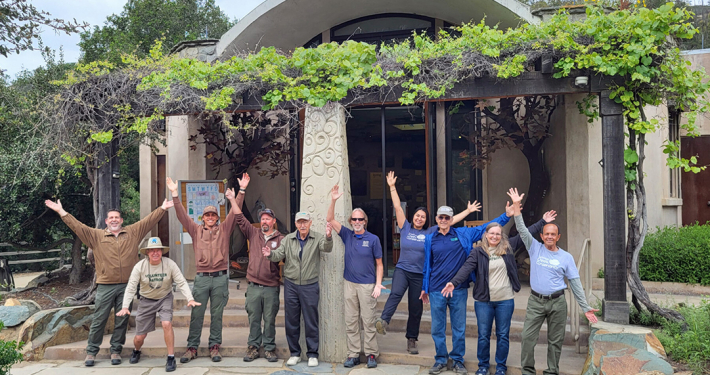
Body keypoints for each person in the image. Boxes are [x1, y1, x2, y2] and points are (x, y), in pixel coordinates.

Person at [44, 198, 172, 366]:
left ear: (121, 220)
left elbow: (148, 221)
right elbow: (78, 226)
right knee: (99, 319)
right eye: (110, 218)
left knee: (122, 320)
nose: (114, 220)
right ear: (106, 221)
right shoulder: (96, 236)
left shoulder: (133, 232)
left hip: (127, 286)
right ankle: (91, 352)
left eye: (116, 217)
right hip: (105, 285)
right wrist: (62, 212)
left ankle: (116, 351)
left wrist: (162, 208)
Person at [375, 171, 481, 355]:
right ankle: (384, 321)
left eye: (423, 217)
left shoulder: (430, 232)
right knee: (396, 293)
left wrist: (468, 211)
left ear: (426, 220)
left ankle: (412, 340)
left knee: (415, 308)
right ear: (413, 216)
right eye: (417, 215)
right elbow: (398, 208)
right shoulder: (405, 227)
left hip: (420, 275)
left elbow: (450, 220)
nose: (419, 218)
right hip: (402, 270)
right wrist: (392, 187)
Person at [442, 210, 558, 375]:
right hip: (483, 301)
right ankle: (483, 366)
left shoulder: (508, 247)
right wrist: (453, 283)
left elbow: (526, 232)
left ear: (501, 236)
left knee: (503, 335)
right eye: (492, 233)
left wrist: (543, 221)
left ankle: (501, 367)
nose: (495, 236)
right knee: (483, 335)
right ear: (486, 235)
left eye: (498, 234)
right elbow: (466, 268)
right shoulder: (478, 252)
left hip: (505, 300)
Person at [506, 188, 598, 375]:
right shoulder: (534, 248)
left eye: (552, 234)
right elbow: (522, 229)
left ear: (558, 237)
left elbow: (575, 283)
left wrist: (585, 307)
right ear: (541, 236)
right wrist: (516, 206)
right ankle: (528, 372)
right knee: (527, 338)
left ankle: (551, 372)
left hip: (557, 302)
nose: (549, 236)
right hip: (536, 302)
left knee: (555, 342)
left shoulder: (566, 257)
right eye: (546, 234)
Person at [421, 203, 514, 375]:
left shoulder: (463, 234)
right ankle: (440, 359)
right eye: (440, 217)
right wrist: (424, 287)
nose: (443, 220)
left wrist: (506, 216)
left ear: (451, 219)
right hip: (436, 289)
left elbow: (487, 228)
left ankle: (457, 360)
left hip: (459, 289)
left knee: (459, 327)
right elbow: (427, 264)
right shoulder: (430, 238)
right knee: (437, 328)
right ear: (436, 219)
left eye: (447, 217)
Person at [167, 177, 239, 363]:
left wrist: (240, 193)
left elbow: (234, 214)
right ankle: (192, 348)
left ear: (217, 218)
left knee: (217, 315)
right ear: (203, 218)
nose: (210, 218)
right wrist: (175, 194)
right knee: (196, 314)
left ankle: (215, 347)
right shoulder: (195, 230)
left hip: (220, 278)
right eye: (207, 215)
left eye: (213, 215)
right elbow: (182, 215)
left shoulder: (224, 230)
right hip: (201, 278)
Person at [117, 237, 201, 372]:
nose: (155, 253)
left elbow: (181, 281)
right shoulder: (140, 266)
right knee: (139, 337)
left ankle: (171, 357)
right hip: (146, 300)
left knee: (166, 323)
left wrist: (189, 298)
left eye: (158, 250)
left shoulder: (170, 264)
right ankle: (137, 351)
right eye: (152, 251)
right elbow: (131, 287)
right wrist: (125, 306)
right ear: (147, 252)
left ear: (162, 252)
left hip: (164, 298)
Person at [262, 212, 333, 367]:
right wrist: (270, 254)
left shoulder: (317, 238)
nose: (302, 225)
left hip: (310, 285)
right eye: (299, 222)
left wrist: (328, 236)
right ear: (295, 224)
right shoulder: (288, 239)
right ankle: (295, 353)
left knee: (311, 320)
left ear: (310, 223)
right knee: (292, 320)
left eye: (305, 222)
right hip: (291, 285)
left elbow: (326, 248)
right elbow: (278, 254)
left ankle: (313, 353)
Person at [326, 184, 384, 369]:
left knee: (368, 321)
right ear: (351, 221)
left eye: (360, 219)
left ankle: (371, 354)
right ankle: (353, 355)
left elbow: (380, 264)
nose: (357, 221)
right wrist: (333, 200)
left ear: (365, 221)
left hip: (367, 285)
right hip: (349, 284)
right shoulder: (347, 235)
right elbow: (329, 219)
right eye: (354, 219)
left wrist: (378, 284)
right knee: (351, 321)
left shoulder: (373, 239)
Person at [233, 173, 285, 363]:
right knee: (254, 319)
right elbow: (238, 216)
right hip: (253, 287)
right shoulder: (252, 233)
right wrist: (240, 192)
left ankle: (270, 348)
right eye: (262, 219)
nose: (264, 221)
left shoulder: (281, 239)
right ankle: (253, 347)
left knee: (270, 320)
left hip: (271, 287)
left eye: (267, 219)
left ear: (273, 222)